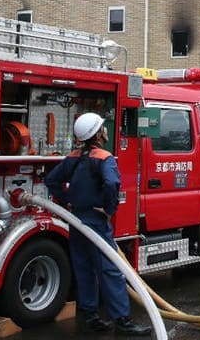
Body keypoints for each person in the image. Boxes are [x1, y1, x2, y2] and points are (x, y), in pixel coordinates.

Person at [44, 112, 151, 336]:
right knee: (110, 270)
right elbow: (112, 183)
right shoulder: (104, 157)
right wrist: (110, 209)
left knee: (84, 268)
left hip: (77, 221)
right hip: (95, 221)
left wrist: (67, 201)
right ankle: (123, 321)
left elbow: (51, 180)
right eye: (103, 127)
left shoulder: (73, 157)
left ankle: (90, 315)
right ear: (98, 133)